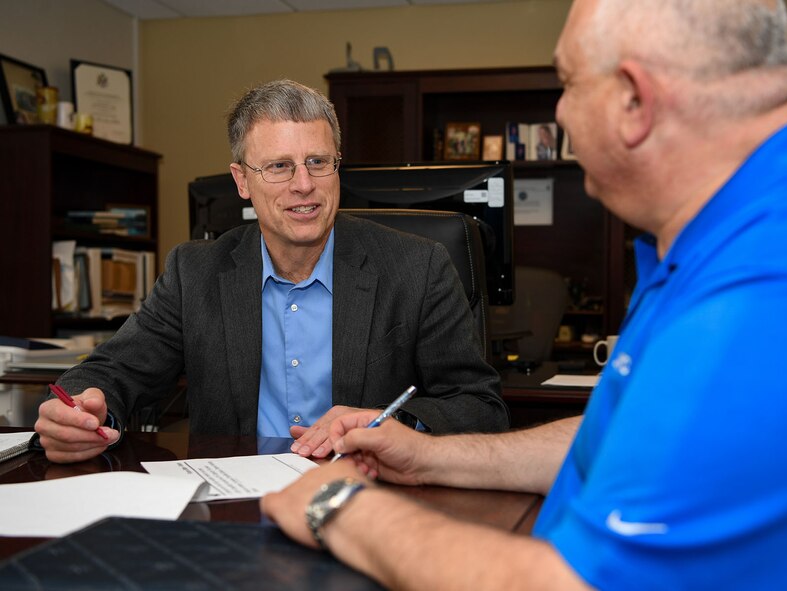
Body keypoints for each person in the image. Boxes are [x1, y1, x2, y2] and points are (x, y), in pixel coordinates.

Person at [261, 0, 787, 588]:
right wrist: (429, 457)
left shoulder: (784, 286)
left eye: (567, 82)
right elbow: (632, 438)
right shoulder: (744, 222)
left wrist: (338, 506)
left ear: (635, 101)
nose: (558, 113)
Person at [35, 80, 509, 464]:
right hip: (235, 510)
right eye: (280, 166)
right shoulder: (195, 272)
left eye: (318, 162)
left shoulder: (417, 268)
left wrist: (393, 426)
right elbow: (113, 370)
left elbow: (480, 407)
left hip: (370, 501)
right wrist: (82, 408)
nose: (304, 186)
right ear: (242, 180)